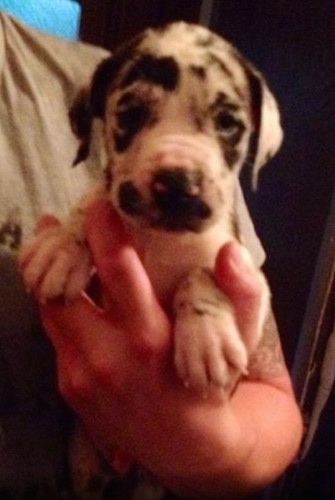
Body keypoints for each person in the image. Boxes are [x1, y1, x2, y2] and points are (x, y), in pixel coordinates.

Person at [0, 9, 302, 499]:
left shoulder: (74, 68)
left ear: (253, 141)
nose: (178, 163)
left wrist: (214, 452)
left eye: (225, 122)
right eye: (135, 114)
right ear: (92, 124)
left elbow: (271, 392)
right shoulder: (94, 94)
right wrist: (72, 239)